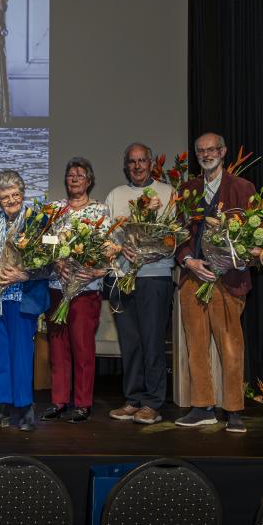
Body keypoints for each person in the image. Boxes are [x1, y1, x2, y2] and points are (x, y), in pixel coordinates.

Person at [175, 132, 257, 433]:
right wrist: (188, 260)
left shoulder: (242, 188)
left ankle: (234, 409)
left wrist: (234, 259)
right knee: (196, 346)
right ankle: (202, 407)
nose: (206, 155)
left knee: (231, 346)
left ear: (223, 152)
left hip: (228, 280)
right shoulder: (188, 189)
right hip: (193, 278)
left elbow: (254, 232)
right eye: (201, 151)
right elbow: (178, 233)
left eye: (211, 150)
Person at [0, 170, 50, 432]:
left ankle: (26, 408)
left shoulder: (37, 221)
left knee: (21, 354)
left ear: (23, 193)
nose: (11, 200)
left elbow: (49, 264)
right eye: (5, 197)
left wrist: (23, 274)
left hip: (22, 297)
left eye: (15, 194)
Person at [104, 143, 175, 426]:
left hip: (154, 277)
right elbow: (105, 237)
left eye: (142, 160)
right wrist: (119, 249)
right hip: (122, 277)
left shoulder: (168, 193)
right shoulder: (115, 195)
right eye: (132, 161)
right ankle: (133, 400)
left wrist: (148, 251)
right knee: (130, 342)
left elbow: (173, 239)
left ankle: (152, 403)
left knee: (152, 341)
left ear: (151, 163)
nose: (137, 166)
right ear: (126, 166)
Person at [42, 157, 110, 423]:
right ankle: (59, 401)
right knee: (58, 348)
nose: (74, 178)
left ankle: (82, 403)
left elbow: (106, 248)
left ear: (89, 180)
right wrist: (56, 258)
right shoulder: (54, 209)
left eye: (80, 175)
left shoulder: (100, 211)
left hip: (84, 288)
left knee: (82, 348)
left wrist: (93, 268)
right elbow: (44, 238)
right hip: (56, 288)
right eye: (71, 174)